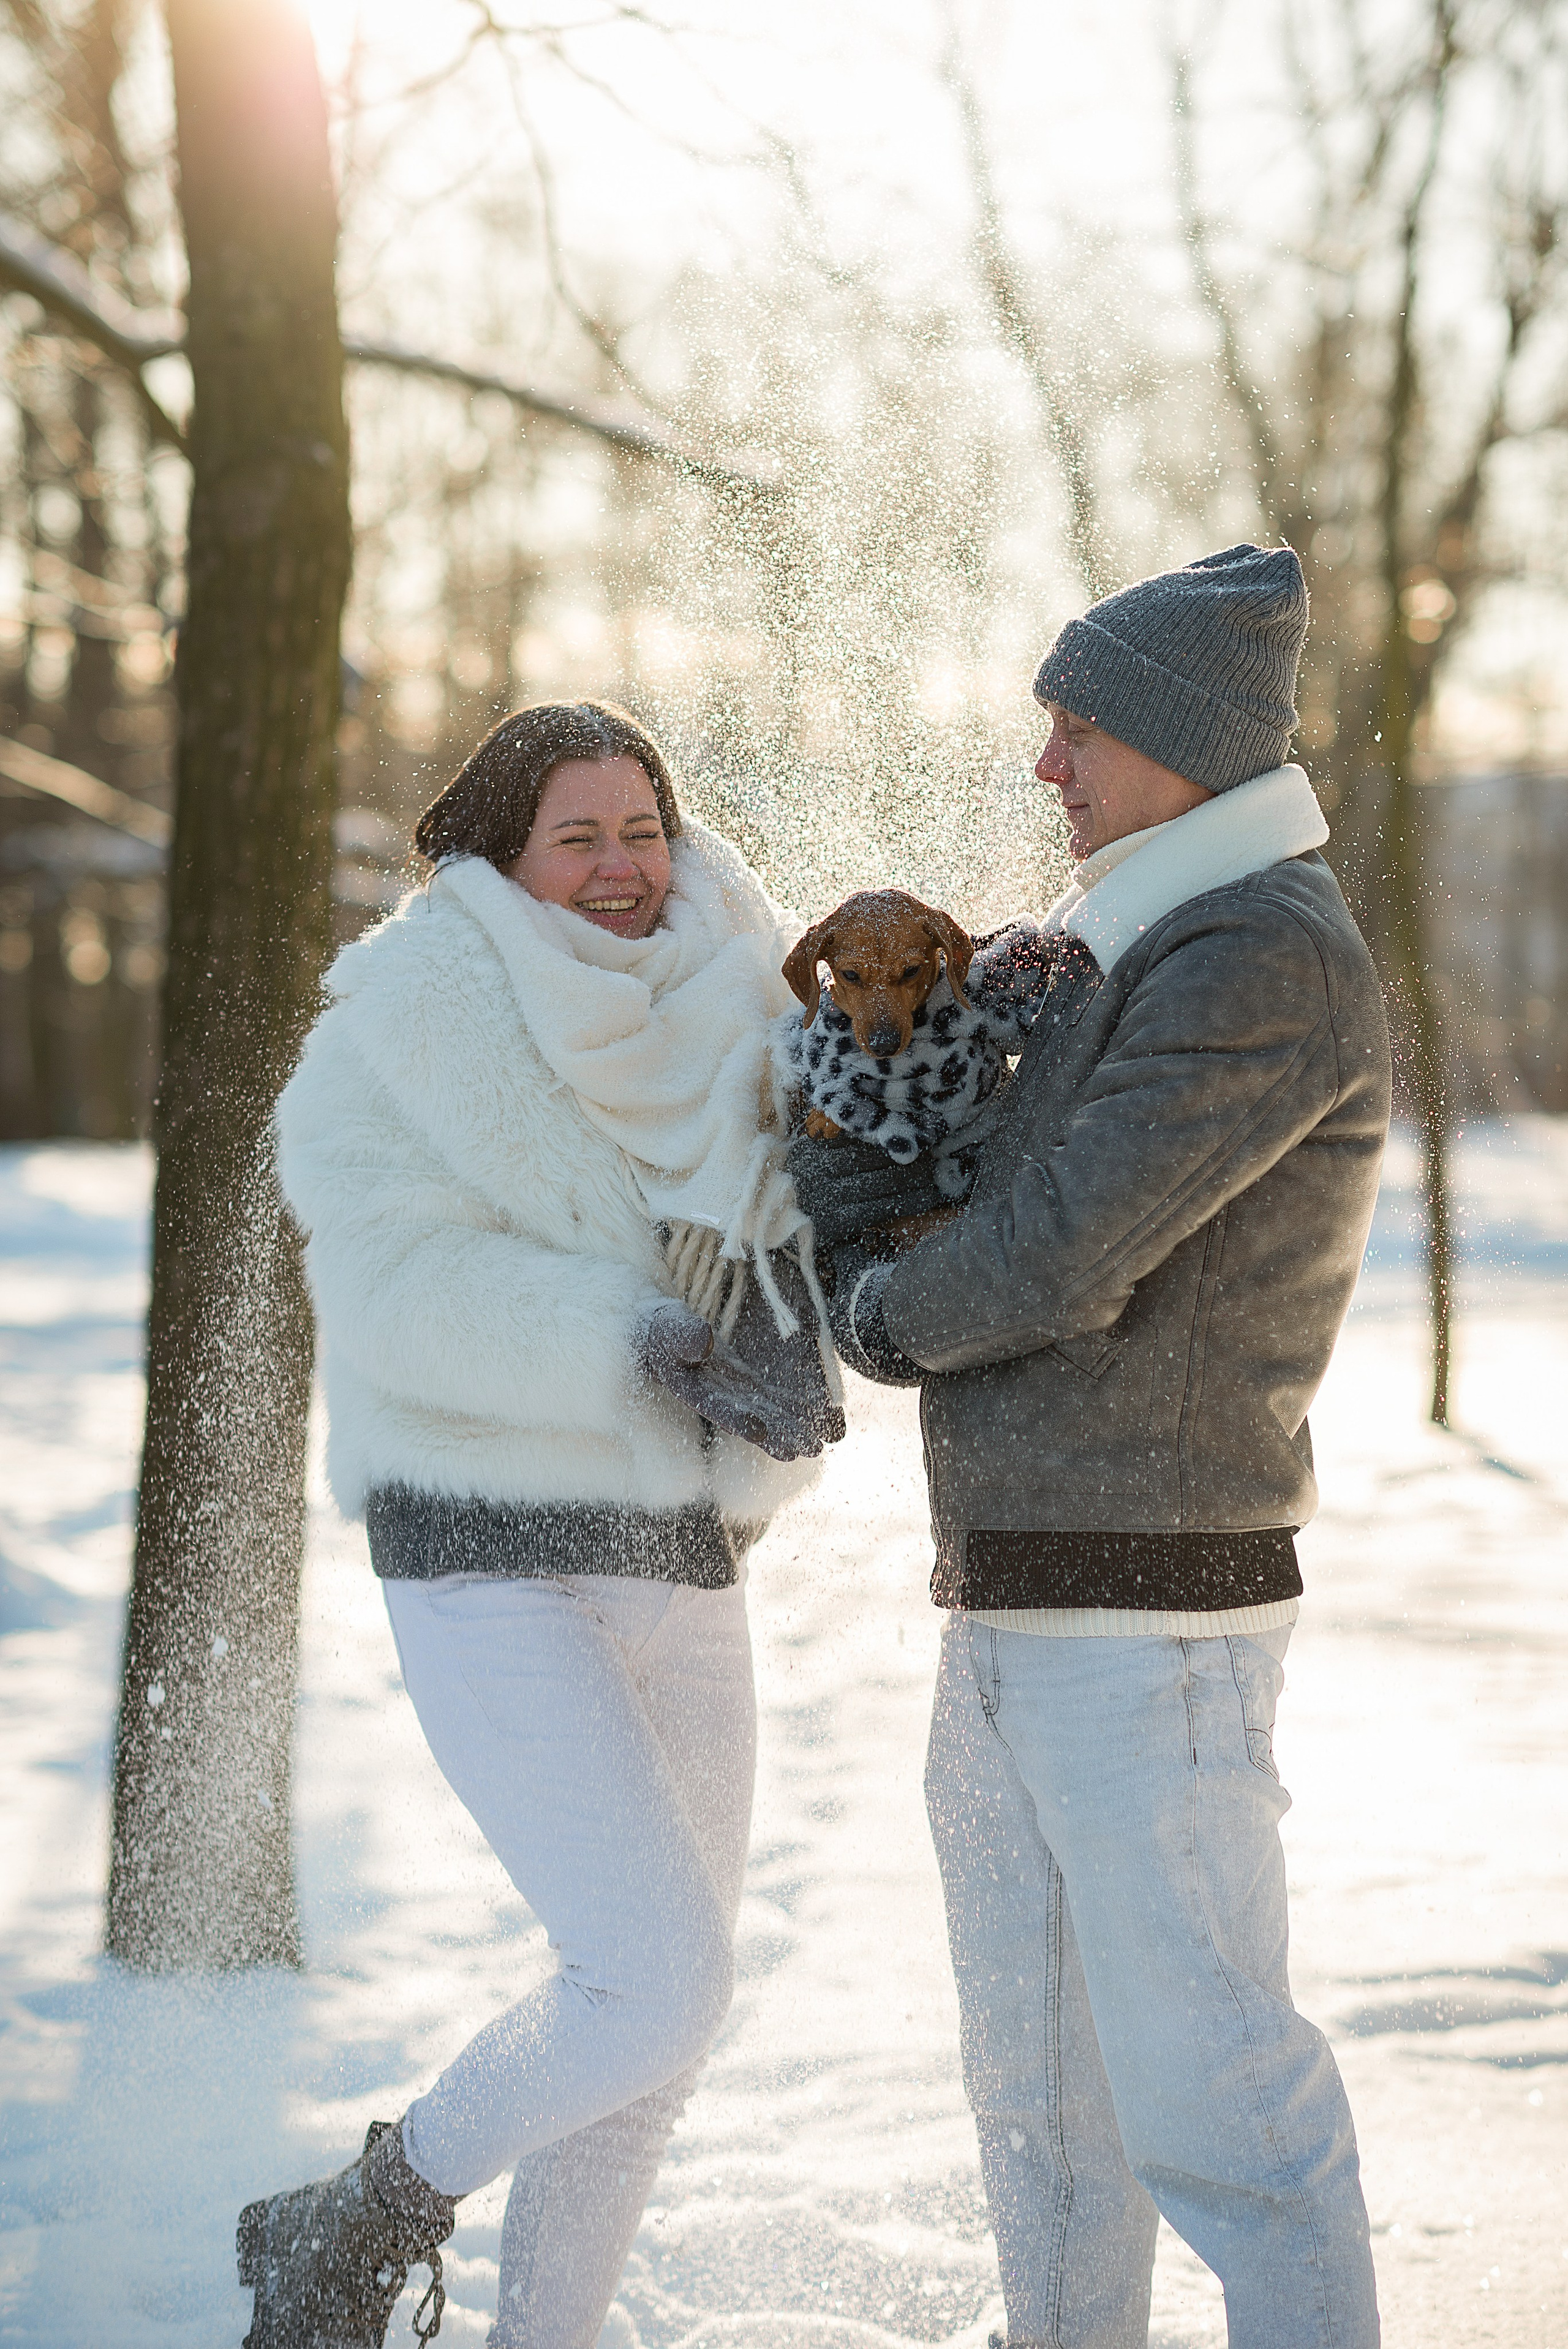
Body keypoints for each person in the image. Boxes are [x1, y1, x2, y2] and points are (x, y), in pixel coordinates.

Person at [791, 545, 1392, 2348]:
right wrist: (849, 1144)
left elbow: (1061, 1249)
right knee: (1048, 2123)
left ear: (1182, 740)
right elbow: (956, 1162)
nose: (1045, 764)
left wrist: (878, 1314)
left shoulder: (1257, 951)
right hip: (1016, 1604)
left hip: (1155, 1624)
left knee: (1222, 2109)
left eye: (1078, 729)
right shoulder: (1115, 941)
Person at [241, 699, 840, 2349]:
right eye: (577, 837)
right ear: (500, 856)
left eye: (643, 830)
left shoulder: (747, 997)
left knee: (657, 2032)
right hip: (487, 1556)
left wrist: (786, 1335)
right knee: (653, 1978)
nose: (622, 867)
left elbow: (798, 1215)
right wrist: (633, 1339)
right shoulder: (401, 1022)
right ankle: (354, 2221)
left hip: (682, 1560)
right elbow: (392, 1283)